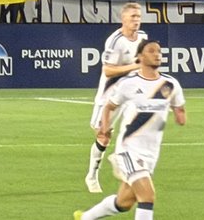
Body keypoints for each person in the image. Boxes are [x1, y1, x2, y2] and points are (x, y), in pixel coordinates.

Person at [75, 39, 186, 220]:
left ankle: (86, 217)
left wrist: (179, 114)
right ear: (140, 57)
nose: (157, 54)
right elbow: (109, 106)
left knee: (124, 202)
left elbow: (180, 109)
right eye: (151, 51)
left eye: (159, 51)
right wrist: (105, 126)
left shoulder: (170, 84)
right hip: (128, 150)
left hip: (150, 153)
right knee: (147, 196)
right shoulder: (129, 83)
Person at [85, 3, 147, 194]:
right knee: (103, 135)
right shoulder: (115, 41)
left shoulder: (143, 37)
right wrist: (133, 67)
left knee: (136, 130)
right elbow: (108, 70)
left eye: (138, 17)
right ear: (123, 19)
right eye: (132, 17)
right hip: (109, 95)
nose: (136, 20)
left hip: (130, 94)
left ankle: (123, 159)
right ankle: (92, 175)